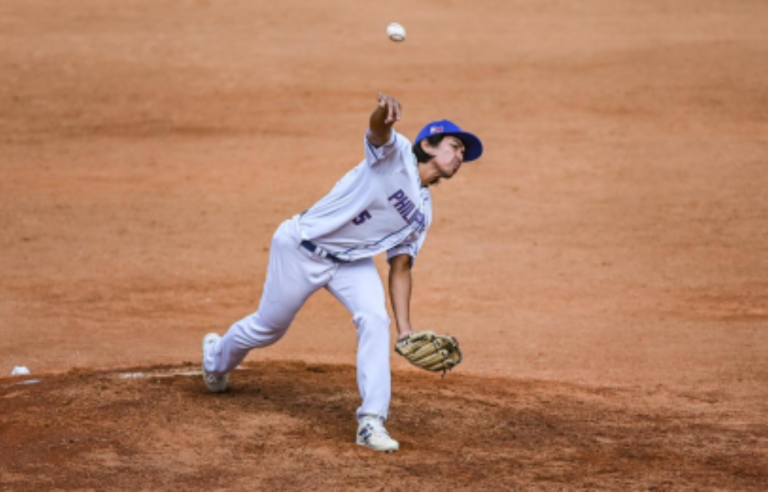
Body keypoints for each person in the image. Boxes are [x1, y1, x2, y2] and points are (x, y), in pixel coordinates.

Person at [201, 93, 483, 452]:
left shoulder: (422, 214)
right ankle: (215, 357)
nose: (459, 156)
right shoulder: (396, 154)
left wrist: (406, 329)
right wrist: (383, 113)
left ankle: (371, 422)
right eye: (455, 146)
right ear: (427, 144)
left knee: (375, 319)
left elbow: (401, 266)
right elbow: (377, 131)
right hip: (301, 247)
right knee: (268, 327)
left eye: (463, 153)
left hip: (351, 261)